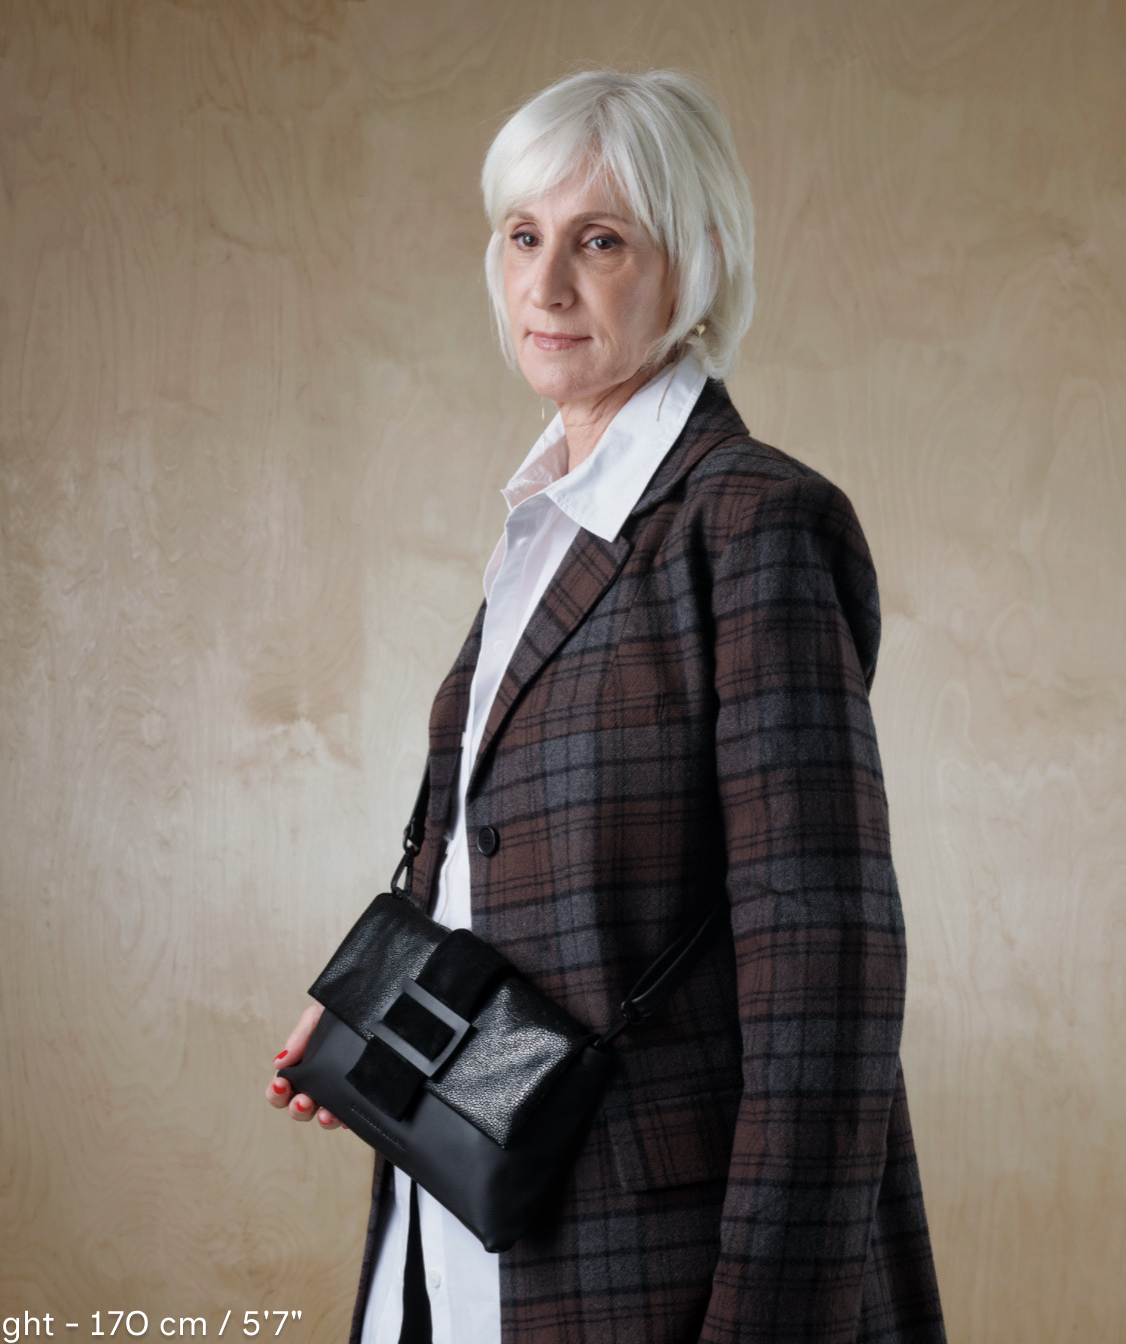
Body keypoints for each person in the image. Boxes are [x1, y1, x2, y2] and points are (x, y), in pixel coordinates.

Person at [267, 69, 947, 1344]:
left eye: (599, 242)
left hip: (660, 1265)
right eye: (521, 236)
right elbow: (512, 867)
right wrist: (382, 1008)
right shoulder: (542, 527)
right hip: (461, 1215)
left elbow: (825, 972)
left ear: (697, 263)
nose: (544, 287)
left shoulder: (752, 523)